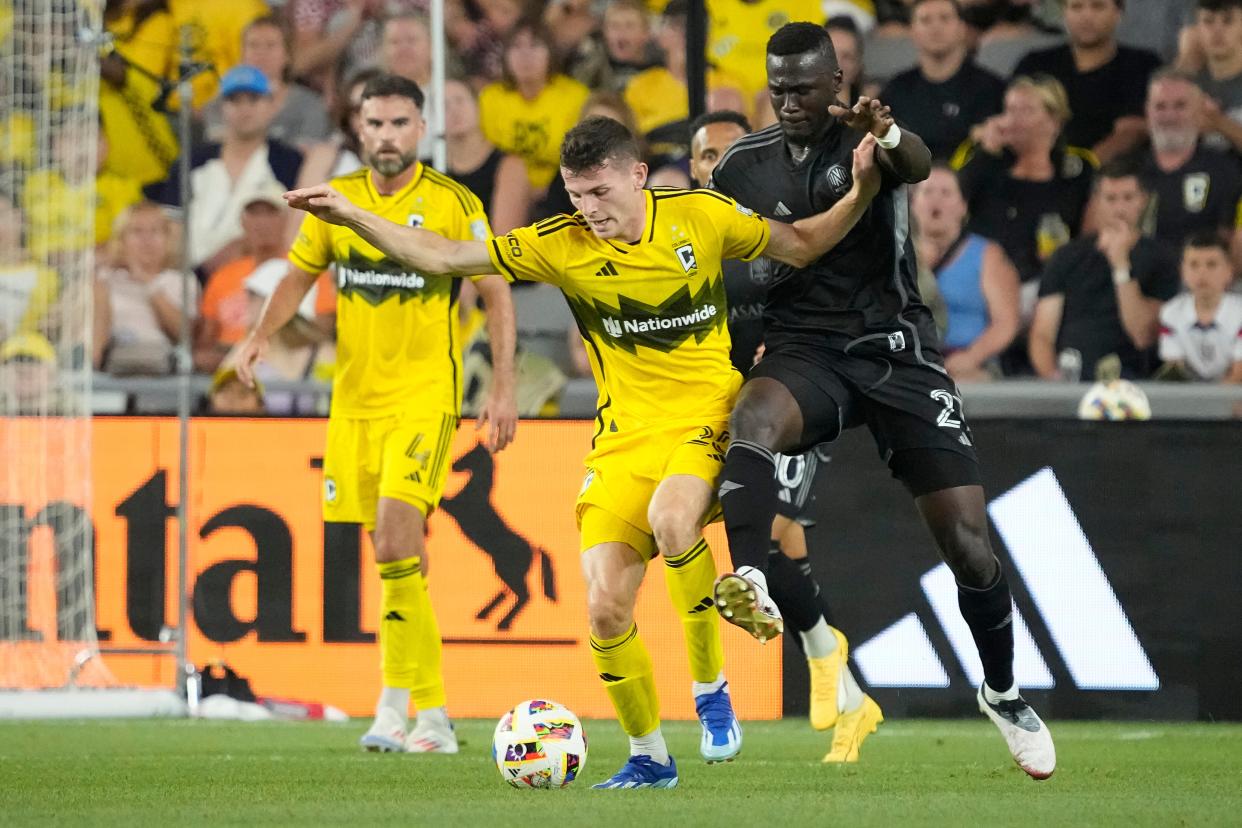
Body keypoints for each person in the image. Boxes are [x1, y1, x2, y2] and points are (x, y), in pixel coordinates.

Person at [281, 114, 882, 787]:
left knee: (674, 518)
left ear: (638, 175)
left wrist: (858, 193)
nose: (588, 210)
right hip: (622, 438)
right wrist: (351, 214)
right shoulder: (559, 244)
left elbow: (799, 244)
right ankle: (650, 756)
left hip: (705, 417)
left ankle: (712, 691)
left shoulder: (701, 217)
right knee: (603, 608)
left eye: (600, 193)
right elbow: (445, 256)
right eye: (575, 195)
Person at [707, 21, 1055, 780]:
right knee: (753, 419)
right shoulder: (740, 166)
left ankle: (1002, 691)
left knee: (967, 543)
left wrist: (887, 132)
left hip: (895, 349)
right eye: (779, 89)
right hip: (805, 350)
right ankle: (750, 579)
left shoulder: (872, 139)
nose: (790, 102)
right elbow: (722, 266)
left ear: (838, 82)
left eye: (804, 87)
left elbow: (917, 162)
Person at [235, 74, 519, 755]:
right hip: (354, 403)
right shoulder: (339, 204)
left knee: (396, 541)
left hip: (424, 399)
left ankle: (432, 716)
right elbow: (299, 274)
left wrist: (502, 386)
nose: (387, 136)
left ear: (421, 129)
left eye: (399, 123)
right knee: (394, 559)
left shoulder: (453, 203)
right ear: (359, 130)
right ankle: (403, 708)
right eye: (375, 124)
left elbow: (496, 292)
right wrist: (259, 336)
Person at [690, 109, 882, 763]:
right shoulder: (680, 236)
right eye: (702, 155)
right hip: (717, 408)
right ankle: (843, 682)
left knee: (771, 534)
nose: (713, 165)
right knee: (771, 551)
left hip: (785, 398)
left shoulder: (775, 230)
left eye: (725, 152)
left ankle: (829, 661)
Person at [145, 65, 303, 272]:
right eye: (234, 100)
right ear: (221, 106)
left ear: (271, 105)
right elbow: (172, 227)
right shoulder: (192, 162)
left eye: (253, 100)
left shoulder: (289, 162)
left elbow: (295, 227)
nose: (244, 109)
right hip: (190, 279)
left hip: (262, 273)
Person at [1029, 163, 1179, 380]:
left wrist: (1121, 265)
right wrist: (1054, 381)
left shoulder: (1162, 258)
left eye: (1128, 198)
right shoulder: (1067, 256)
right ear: (1097, 202)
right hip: (1072, 377)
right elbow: (1042, 334)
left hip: (1134, 380)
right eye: (1110, 199)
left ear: (1143, 201)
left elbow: (1142, 335)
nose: (1119, 208)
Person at [956, 75, 1096, 299]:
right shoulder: (987, 164)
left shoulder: (1075, 172)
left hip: (1047, 282)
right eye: (1010, 110)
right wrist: (987, 151)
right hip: (981, 280)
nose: (1013, 119)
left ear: (1055, 121)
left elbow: (1089, 235)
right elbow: (953, 201)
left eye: (1026, 111)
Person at [1013, 0, 1159, 164]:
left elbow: (1132, 131)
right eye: (1076, 7)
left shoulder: (1140, 65)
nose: (1086, 17)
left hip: (1110, 174)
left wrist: (1083, 166)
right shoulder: (1035, 64)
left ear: (1118, 13)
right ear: (1064, 13)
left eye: (1097, 7)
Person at [912, 164, 1020, 381]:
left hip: (968, 363)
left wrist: (971, 357)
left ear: (963, 207)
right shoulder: (894, 252)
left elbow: (1006, 323)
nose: (936, 200)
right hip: (909, 360)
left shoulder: (988, 255)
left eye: (946, 193)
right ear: (913, 204)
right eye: (928, 192)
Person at [1134, 70, 1242, 264]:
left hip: (1199, 282)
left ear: (1200, 111)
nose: (1169, 115)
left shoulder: (1224, 170)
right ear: (1147, 111)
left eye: (1180, 106)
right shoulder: (1127, 167)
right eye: (1160, 106)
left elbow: (1229, 240)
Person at [880, 0, 1006, 162]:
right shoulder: (896, 90)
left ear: (962, 28)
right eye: (925, 20)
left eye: (945, 18)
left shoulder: (991, 89)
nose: (935, 28)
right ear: (912, 31)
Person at [93, 202, 199, 376]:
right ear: (122, 239)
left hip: (158, 362)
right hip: (108, 355)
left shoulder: (181, 281)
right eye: (137, 232)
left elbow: (184, 334)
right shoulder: (105, 278)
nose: (146, 240)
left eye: (155, 232)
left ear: (167, 239)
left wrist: (148, 281)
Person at [203, 16, 332, 149]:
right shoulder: (222, 101)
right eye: (253, 45)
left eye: (270, 45)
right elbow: (219, 148)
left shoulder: (310, 104)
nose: (261, 53)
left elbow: (309, 154)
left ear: (287, 55)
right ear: (242, 54)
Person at [443, 78, 530, 236]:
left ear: (477, 106)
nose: (453, 110)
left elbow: (504, 240)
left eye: (460, 100)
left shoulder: (509, 165)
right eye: (443, 105)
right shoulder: (430, 167)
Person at [1158, 231, 1242, 382]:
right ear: (1182, 272)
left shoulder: (1239, 314)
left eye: (1211, 265)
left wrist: (1214, 404)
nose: (1202, 273)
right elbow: (1175, 371)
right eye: (1194, 265)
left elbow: (1239, 373)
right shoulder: (1171, 313)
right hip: (1190, 398)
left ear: (1229, 271)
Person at [1186, 0, 1242, 155]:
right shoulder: (1186, 82)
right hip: (1194, 175)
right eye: (1208, 21)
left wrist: (1217, 122)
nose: (1217, 31)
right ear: (1196, 29)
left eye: (1228, 21)